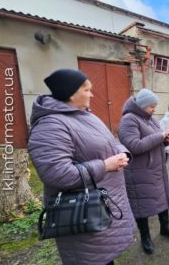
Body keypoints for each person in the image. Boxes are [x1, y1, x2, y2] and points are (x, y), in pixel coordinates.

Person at [27, 69, 135, 265]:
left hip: (101, 205)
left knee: (104, 259)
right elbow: (58, 175)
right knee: (92, 259)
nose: (92, 94)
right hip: (84, 213)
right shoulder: (50, 125)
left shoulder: (84, 115)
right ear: (71, 94)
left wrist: (122, 152)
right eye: (87, 90)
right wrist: (105, 165)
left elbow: (109, 142)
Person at [118, 89, 169, 255]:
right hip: (139, 172)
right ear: (142, 105)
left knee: (161, 198)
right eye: (151, 106)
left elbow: (155, 141)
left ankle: (165, 227)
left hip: (156, 169)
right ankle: (145, 236)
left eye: (155, 106)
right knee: (142, 204)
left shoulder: (150, 119)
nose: (154, 109)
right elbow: (134, 146)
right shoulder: (128, 120)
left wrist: (166, 140)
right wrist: (160, 137)